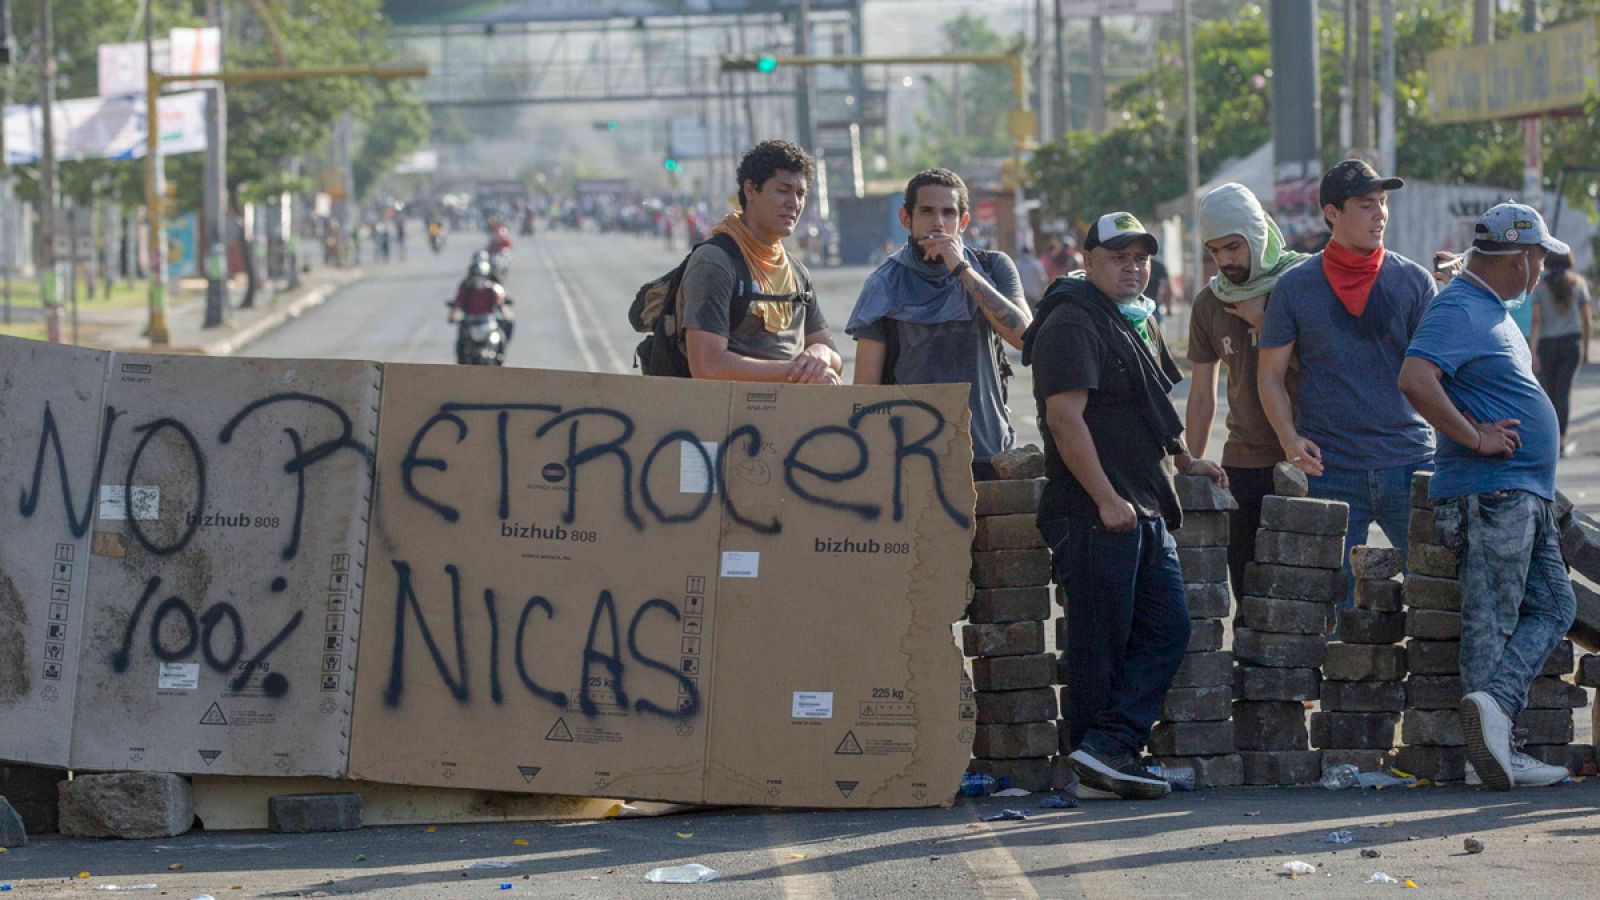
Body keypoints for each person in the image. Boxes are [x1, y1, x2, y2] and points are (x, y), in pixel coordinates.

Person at [1021, 211, 1226, 800]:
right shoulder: (1072, 322)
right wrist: (1105, 498)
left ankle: (1109, 749)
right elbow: (1065, 418)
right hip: (1095, 512)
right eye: (1119, 256)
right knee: (1099, 642)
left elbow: (1146, 407)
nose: (1133, 267)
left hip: (1143, 505)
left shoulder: (1134, 320)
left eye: (1141, 257)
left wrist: (1185, 460)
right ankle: (1097, 759)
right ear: (1087, 261)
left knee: (1167, 627)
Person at [1398, 202, 1575, 790]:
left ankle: (1496, 714)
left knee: (1555, 607)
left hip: (1520, 490)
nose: (1541, 269)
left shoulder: (1479, 303)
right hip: (1493, 491)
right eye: (1540, 256)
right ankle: (1493, 753)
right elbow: (1415, 378)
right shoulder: (1461, 308)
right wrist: (1474, 436)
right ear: (1523, 258)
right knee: (1491, 620)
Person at [1258, 160, 1437, 603]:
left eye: (1382, 203)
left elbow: (1442, 375)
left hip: (1411, 462)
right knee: (1335, 609)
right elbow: (1270, 375)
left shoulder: (1414, 282)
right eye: (1365, 205)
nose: (1379, 214)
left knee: (1442, 593)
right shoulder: (1296, 286)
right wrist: (1289, 439)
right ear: (1331, 214)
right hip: (1330, 469)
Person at [847, 168, 1032, 478]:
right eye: (927, 212)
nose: (938, 222)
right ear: (906, 218)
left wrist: (961, 270)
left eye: (948, 213)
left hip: (989, 455)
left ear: (963, 222)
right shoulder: (884, 283)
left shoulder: (992, 266)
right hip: (911, 459)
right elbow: (865, 389)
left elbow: (1026, 338)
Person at [1185, 183, 1310, 598]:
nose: (1225, 261)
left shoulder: (1303, 282)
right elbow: (1202, 395)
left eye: (1234, 247)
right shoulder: (1209, 303)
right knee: (1246, 582)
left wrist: (1264, 322)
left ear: (1256, 235)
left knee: (1305, 588)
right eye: (1215, 251)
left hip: (1310, 453)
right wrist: (1191, 461)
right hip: (1244, 458)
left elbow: (1328, 370)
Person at [681, 140, 842, 384]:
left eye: (800, 194)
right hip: (732, 417)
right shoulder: (716, 263)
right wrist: (797, 373)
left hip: (793, 416)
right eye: (783, 190)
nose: (794, 203)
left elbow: (834, 358)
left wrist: (821, 354)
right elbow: (708, 365)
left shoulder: (796, 271)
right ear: (750, 190)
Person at [1530, 251, 1591, 456]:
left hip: (1547, 345)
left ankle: (1550, 440)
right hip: (1570, 343)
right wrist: (1586, 348)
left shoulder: (1540, 287)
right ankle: (1562, 441)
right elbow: (1586, 320)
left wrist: (1533, 352)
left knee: (1548, 394)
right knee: (1564, 393)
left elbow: (1537, 322)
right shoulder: (1579, 284)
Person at [449, 258, 513, 362]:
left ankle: (500, 359)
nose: (479, 280)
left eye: (482, 277)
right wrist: (453, 316)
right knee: (460, 343)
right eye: (476, 276)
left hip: (488, 322)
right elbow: (457, 304)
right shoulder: (466, 289)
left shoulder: (493, 290)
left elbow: (501, 304)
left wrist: (505, 314)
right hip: (470, 322)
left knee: (501, 338)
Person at [1014, 242, 1049, 308]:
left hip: (1022, 297)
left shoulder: (1017, 264)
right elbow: (1043, 279)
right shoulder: (1036, 264)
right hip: (1035, 295)